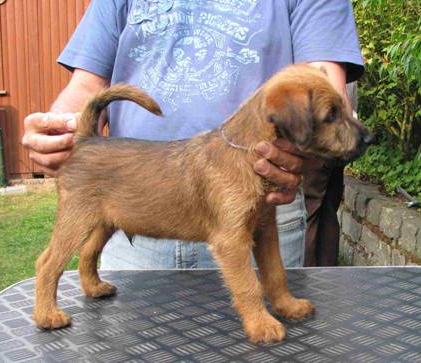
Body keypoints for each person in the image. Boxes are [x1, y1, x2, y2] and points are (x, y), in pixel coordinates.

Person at [22, 0, 363, 269]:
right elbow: (86, 85)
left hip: (260, 204)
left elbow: (324, 87)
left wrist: (304, 147)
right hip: (136, 203)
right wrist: (62, 127)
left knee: (266, 348)